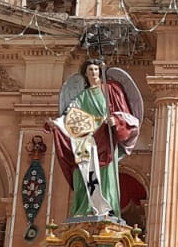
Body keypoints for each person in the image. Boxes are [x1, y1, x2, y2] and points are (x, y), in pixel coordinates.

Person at [48, 59, 141, 219]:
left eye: (96, 70)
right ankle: (85, 208)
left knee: (105, 174)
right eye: (90, 70)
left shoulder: (111, 89)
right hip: (86, 140)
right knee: (81, 173)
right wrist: (56, 124)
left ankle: (107, 208)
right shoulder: (82, 96)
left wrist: (117, 121)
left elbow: (127, 115)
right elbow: (71, 117)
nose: (93, 73)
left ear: (100, 72)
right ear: (85, 73)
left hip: (105, 138)